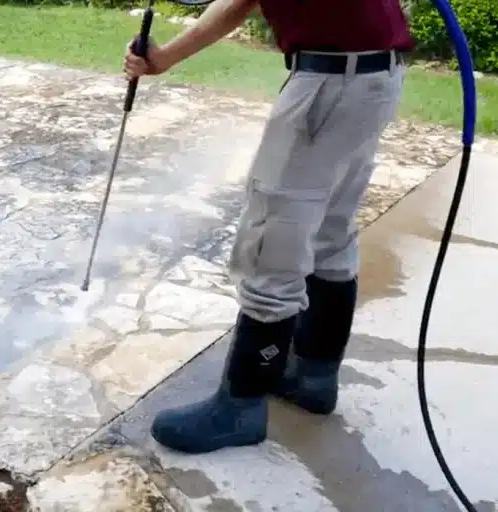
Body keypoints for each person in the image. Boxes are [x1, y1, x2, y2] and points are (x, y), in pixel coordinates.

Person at [123, 0, 413, 454]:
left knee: (273, 240)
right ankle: (313, 378)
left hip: (332, 84)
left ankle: (239, 407)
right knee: (329, 235)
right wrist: (164, 59)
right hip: (374, 77)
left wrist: (163, 58)